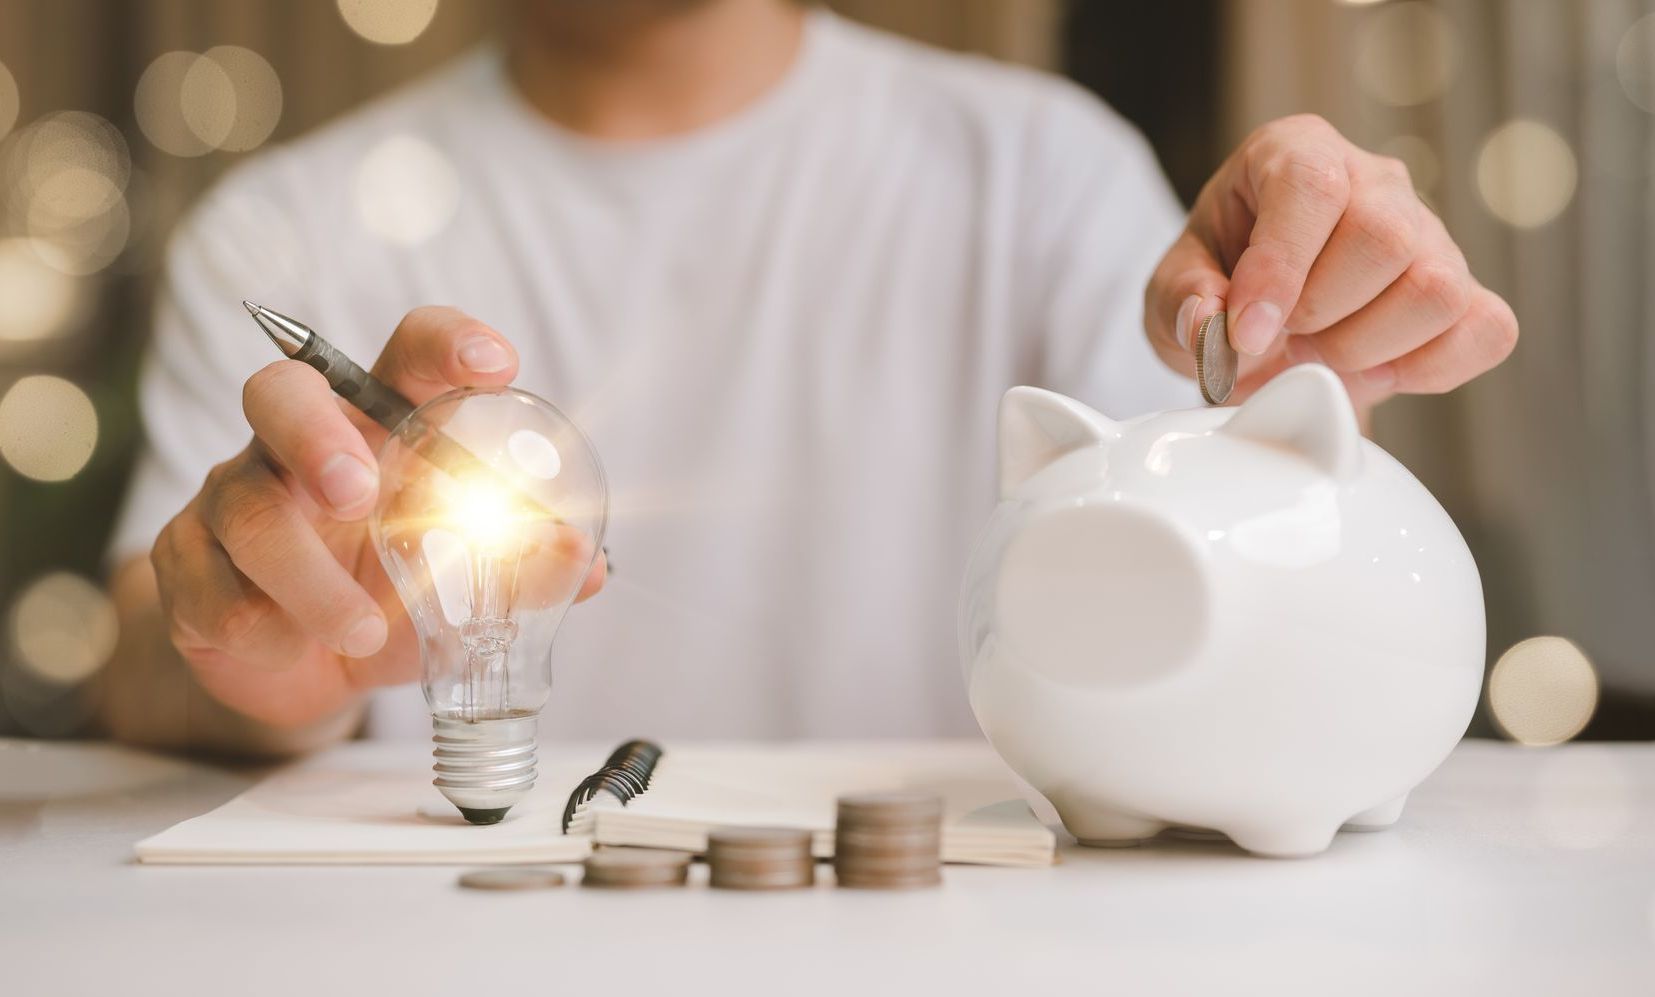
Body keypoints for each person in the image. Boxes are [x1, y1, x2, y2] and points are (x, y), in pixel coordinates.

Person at [101, 0, 1517, 756]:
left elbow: (1215, 636)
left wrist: (1292, 409)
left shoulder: (1039, 175)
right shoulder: (289, 223)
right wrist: (247, 647)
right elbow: (142, 675)